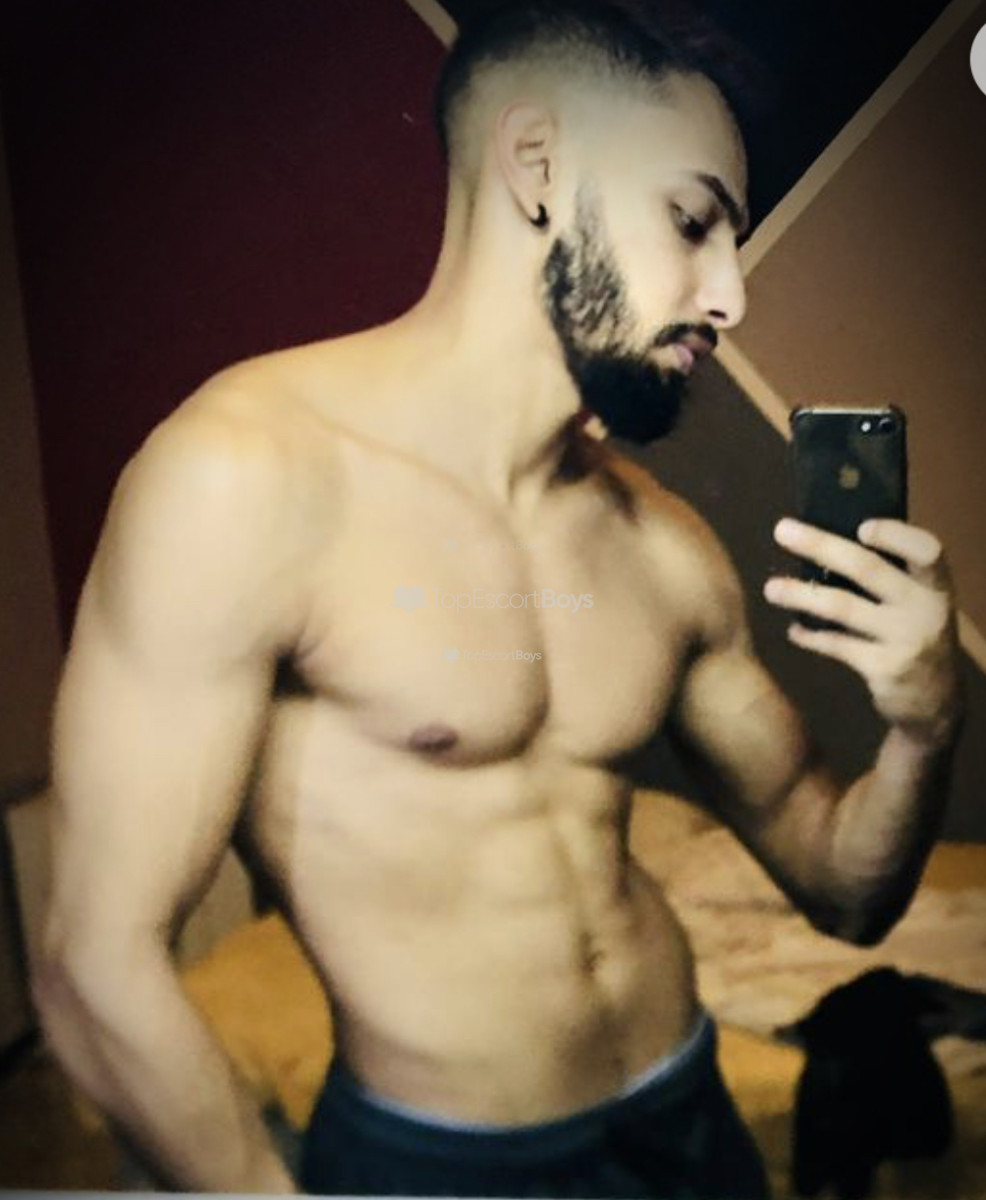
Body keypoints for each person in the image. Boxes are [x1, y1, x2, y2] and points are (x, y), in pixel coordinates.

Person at [34, 1, 964, 1196]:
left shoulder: (660, 546)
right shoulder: (249, 477)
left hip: (687, 1121)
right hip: (443, 1161)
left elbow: (844, 893)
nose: (729, 294)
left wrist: (923, 725)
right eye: (691, 222)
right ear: (534, 166)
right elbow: (94, 963)